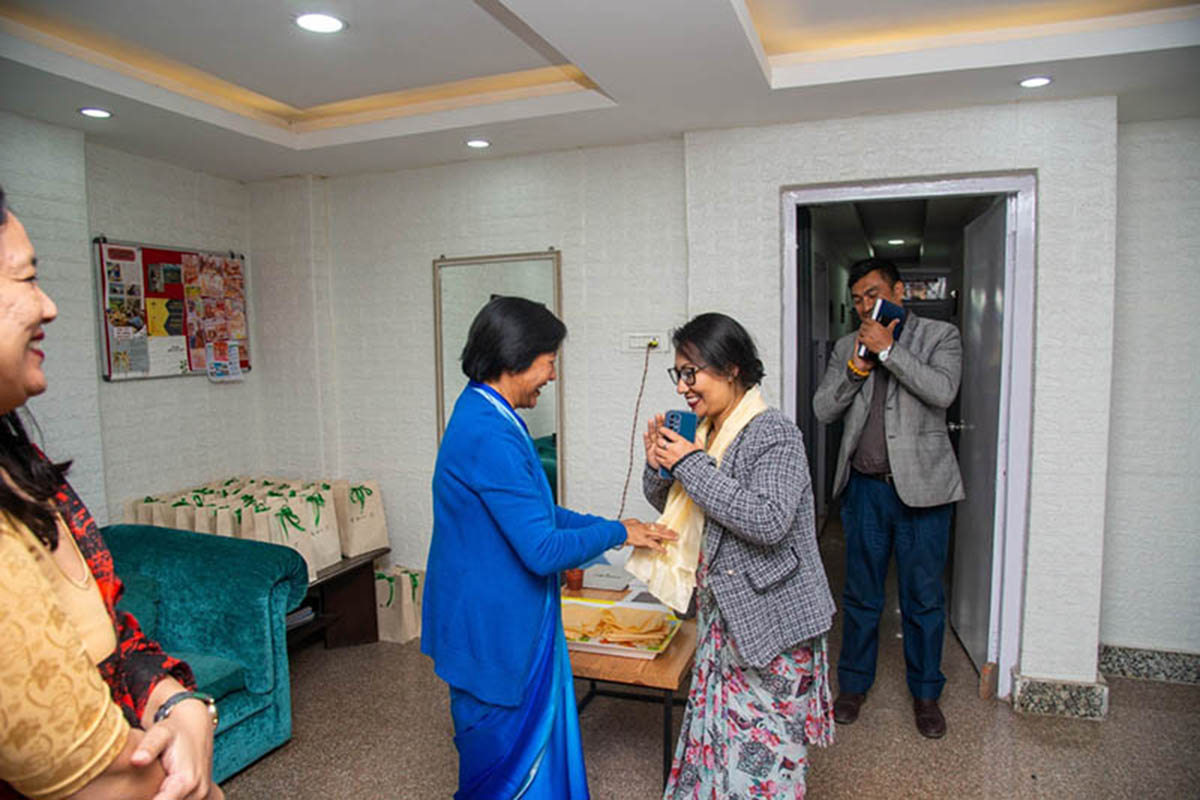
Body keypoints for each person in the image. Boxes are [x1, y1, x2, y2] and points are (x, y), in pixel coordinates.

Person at [0, 186, 222, 800]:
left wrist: (179, 704)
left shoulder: (25, 464)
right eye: (25, 278)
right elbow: (93, 778)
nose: (48, 306)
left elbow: (110, 636)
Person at [421, 296, 676, 799]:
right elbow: (540, 547)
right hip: (493, 627)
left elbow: (535, 510)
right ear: (516, 358)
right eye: (549, 362)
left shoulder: (487, 411)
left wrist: (616, 526)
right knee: (506, 771)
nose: (552, 376)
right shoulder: (488, 433)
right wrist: (617, 533)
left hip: (500, 615)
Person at [636, 312, 835, 797]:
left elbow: (768, 521)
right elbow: (676, 505)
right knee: (720, 750)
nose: (682, 387)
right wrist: (659, 465)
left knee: (762, 763)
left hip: (772, 624)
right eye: (678, 374)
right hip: (721, 618)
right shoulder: (704, 432)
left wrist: (688, 462)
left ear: (730, 368)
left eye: (691, 373)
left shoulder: (774, 434)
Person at [813, 257, 964, 739]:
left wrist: (890, 350)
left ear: (899, 291)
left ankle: (926, 694)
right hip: (865, 491)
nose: (863, 306)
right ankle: (853, 685)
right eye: (857, 298)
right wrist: (856, 368)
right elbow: (823, 409)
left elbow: (943, 391)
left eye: (872, 294)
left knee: (923, 598)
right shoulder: (846, 346)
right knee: (861, 595)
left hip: (925, 492)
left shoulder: (940, 336)